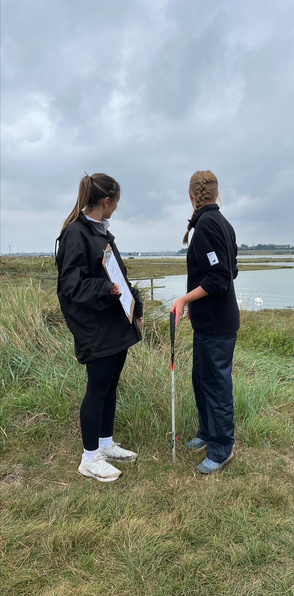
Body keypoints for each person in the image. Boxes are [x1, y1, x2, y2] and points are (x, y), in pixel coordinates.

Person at [56, 173, 143, 482]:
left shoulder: (102, 233)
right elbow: (70, 286)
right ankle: (89, 457)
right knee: (96, 390)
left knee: (110, 387)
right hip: (95, 327)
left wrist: (137, 308)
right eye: (116, 203)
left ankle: (105, 444)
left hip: (116, 323)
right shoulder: (75, 234)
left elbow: (119, 273)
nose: (116, 209)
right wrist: (106, 290)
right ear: (106, 201)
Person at [170, 170, 239, 474]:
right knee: (202, 379)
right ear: (215, 193)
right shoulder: (218, 223)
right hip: (208, 322)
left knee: (216, 385)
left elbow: (221, 277)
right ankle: (207, 433)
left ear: (191, 196)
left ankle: (222, 448)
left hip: (217, 324)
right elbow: (230, 270)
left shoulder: (210, 225)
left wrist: (185, 299)